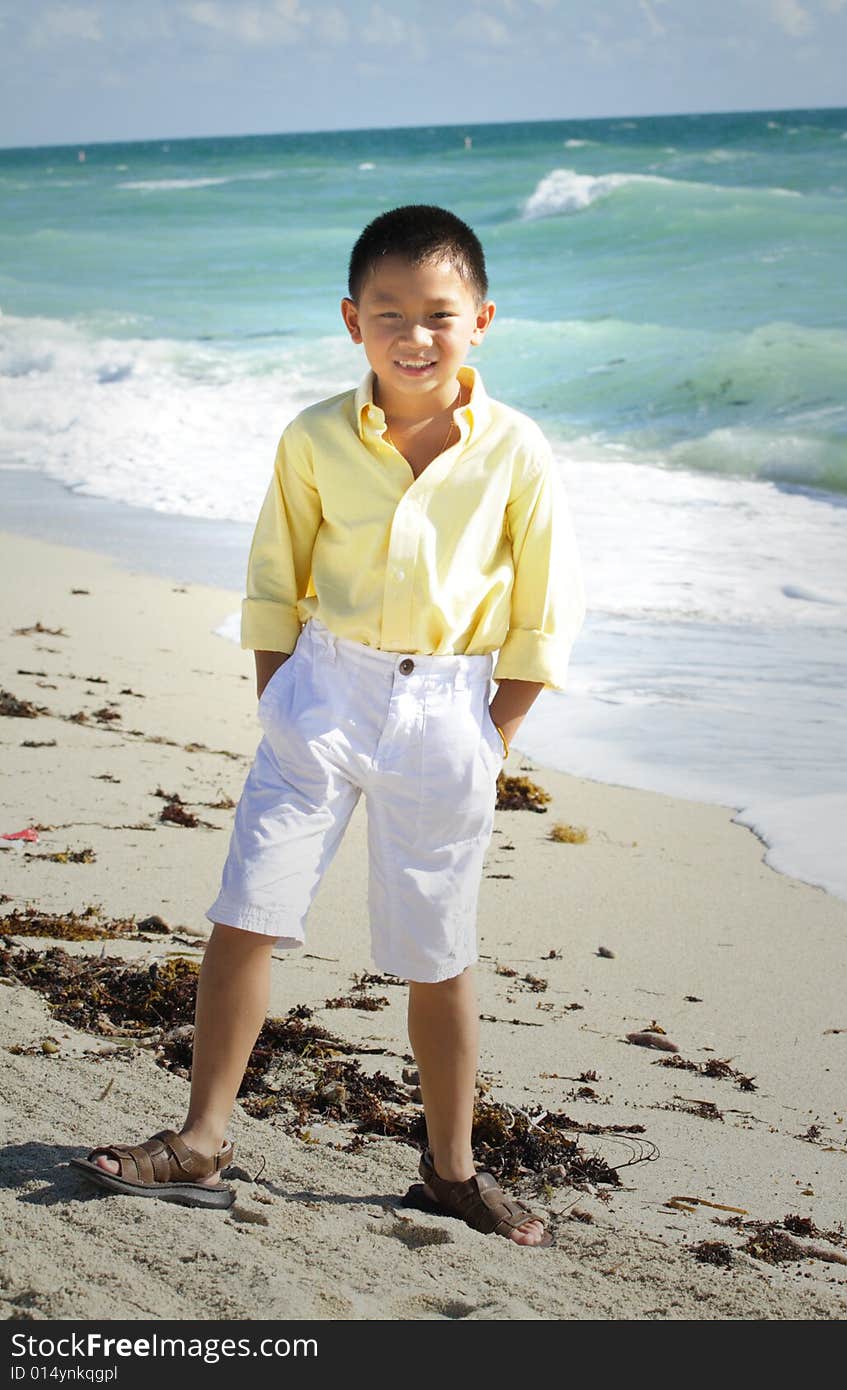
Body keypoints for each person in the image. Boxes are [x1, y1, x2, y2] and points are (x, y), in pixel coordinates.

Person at [72, 204, 586, 1247]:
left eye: (439, 314)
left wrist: (492, 731)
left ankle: (449, 1169)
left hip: (451, 709)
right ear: (353, 321)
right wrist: (281, 696)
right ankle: (203, 1137)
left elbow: (544, 609)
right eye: (389, 312)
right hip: (324, 692)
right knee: (247, 908)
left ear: (481, 319)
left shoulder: (517, 450)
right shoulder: (312, 436)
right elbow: (274, 577)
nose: (415, 335)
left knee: (436, 952)